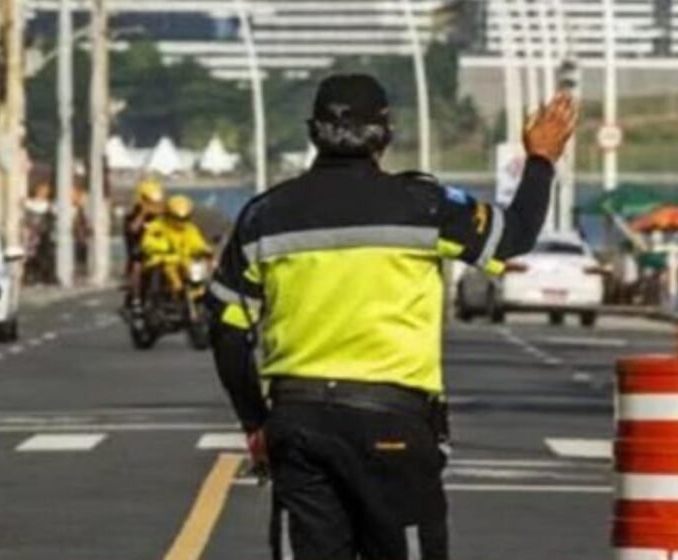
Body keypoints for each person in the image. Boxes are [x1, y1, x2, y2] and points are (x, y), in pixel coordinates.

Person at [206, 73, 577, 560]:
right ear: (386, 133)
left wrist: (255, 422)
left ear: (312, 131)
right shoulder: (425, 206)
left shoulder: (264, 216)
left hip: (298, 422)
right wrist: (541, 159)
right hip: (393, 423)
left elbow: (226, 326)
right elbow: (515, 236)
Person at [141, 195, 212, 296]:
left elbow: (197, 242)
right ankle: (175, 291)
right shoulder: (157, 226)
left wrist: (204, 249)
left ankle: (198, 291)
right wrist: (162, 247)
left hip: (185, 261)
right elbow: (147, 243)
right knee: (169, 268)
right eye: (177, 218)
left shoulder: (190, 229)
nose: (181, 221)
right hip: (163, 261)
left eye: (185, 218)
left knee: (198, 271)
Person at [124, 178, 166, 306]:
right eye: (150, 201)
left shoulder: (164, 215)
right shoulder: (133, 215)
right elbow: (132, 230)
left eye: (155, 202)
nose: (154, 205)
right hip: (141, 252)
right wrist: (143, 213)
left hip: (163, 251)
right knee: (137, 267)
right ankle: (136, 297)